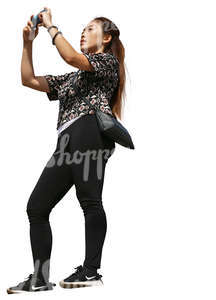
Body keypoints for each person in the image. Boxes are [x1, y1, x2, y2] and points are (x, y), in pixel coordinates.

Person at [7, 7, 126, 294]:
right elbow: (28, 79)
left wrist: (51, 27)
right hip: (67, 139)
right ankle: (40, 277)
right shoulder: (73, 78)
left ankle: (90, 271)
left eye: (90, 28)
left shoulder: (107, 63)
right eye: (82, 29)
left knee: (90, 200)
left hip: (90, 132)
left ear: (106, 38)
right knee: (36, 206)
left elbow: (72, 56)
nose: (83, 32)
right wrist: (27, 42)